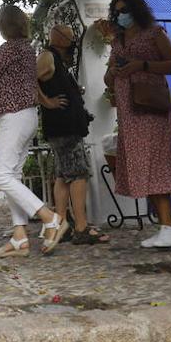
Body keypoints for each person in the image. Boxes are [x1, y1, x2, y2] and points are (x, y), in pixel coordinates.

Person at [0, 4, 69, 257]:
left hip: (13, 116)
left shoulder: (7, 49)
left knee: (1, 175)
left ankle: (50, 218)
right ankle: (20, 238)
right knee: (12, 176)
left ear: (3, 27)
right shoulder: (28, 50)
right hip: (28, 116)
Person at [104, 0, 171, 249]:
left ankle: (168, 227)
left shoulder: (154, 33)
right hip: (129, 113)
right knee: (144, 163)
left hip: (151, 108)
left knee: (155, 161)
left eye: (124, 9)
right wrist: (115, 71)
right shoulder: (118, 39)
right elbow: (108, 79)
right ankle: (165, 227)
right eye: (116, 11)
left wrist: (141, 65)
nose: (120, 15)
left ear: (137, 10)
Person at [37, 24, 109, 245]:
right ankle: (81, 227)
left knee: (63, 175)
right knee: (78, 173)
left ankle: (60, 224)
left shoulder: (57, 60)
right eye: (69, 35)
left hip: (65, 127)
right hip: (63, 128)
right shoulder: (47, 56)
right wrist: (47, 101)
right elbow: (30, 81)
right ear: (58, 37)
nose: (72, 39)